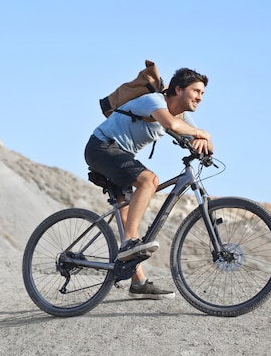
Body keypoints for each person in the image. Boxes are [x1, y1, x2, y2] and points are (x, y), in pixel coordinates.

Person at [85, 67, 213, 300]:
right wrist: (200, 133)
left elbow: (194, 134)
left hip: (121, 154)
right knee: (149, 181)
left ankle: (138, 283)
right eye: (196, 91)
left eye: (203, 94)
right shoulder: (154, 100)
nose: (200, 98)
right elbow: (172, 126)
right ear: (178, 90)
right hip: (101, 147)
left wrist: (206, 140)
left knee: (125, 216)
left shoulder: (182, 116)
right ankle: (130, 243)